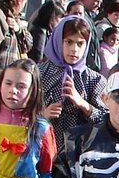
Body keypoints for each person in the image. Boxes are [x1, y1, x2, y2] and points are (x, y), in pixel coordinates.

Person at [39, 15, 106, 148]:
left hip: (79, 151)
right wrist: (42, 116)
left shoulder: (94, 79)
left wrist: (83, 105)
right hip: (41, 146)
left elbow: (106, 120)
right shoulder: (39, 73)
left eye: (80, 44)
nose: (74, 49)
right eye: (69, 42)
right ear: (58, 41)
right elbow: (20, 112)